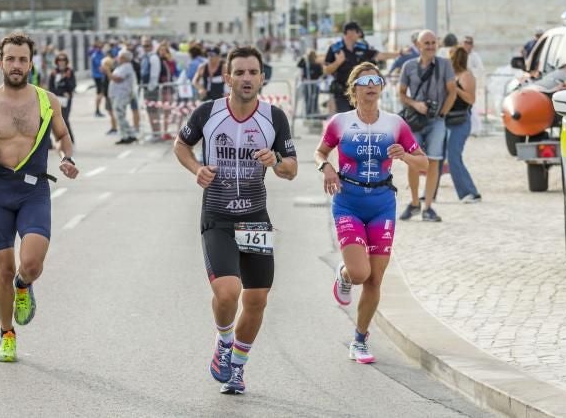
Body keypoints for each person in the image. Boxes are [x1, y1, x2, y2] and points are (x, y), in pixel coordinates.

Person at [174, 46, 298, 395]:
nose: (246, 78)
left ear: (262, 77)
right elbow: (180, 146)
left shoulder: (274, 118)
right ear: (227, 77)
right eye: (239, 72)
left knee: (257, 299)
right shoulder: (207, 113)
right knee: (227, 292)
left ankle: (238, 368)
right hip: (217, 215)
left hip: (255, 218)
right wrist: (197, 168)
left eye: (253, 72)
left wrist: (274, 160)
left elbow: (291, 169)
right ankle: (224, 342)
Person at [0, 32, 79, 363]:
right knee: (3, 270)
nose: (16, 65)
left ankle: (24, 286)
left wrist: (67, 157)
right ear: (0, 62)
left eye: (22, 59)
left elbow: (63, 135)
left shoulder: (47, 100)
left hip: (33, 189)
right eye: (10, 58)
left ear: (30, 63)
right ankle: (7, 334)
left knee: (31, 264)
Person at [315, 62, 427, 363]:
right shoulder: (340, 121)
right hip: (348, 200)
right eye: (364, 80)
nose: (371, 85)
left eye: (376, 79)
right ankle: (345, 274)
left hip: (382, 203)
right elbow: (320, 151)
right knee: (360, 273)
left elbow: (424, 164)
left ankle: (360, 340)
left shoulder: (395, 124)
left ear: (381, 87)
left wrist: (405, 156)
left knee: (375, 279)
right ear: (354, 88)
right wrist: (326, 167)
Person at [398, 30, 457, 222]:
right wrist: (416, 105)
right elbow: (402, 94)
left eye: (433, 42)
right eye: (427, 43)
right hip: (414, 120)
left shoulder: (445, 65)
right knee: (413, 160)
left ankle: (428, 206)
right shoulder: (408, 66)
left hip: (436, 121)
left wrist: (441, 114)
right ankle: (414, 202)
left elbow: (452, 92)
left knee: (434, 161)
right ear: (418, 45)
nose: (431, 46)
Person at [324, 22, 397, 113]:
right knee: (345, 120)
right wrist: (337, 62)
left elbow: (379, 55)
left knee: (361, 119)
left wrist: (399, 53)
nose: (359, 35)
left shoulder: (362, 47)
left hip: (360, 92)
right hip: (342, 93)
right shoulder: (334, 48)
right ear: (349, 32)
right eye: (357, 32)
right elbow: (326, 70)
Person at [445, 47, 481, 202]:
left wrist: (456, 89)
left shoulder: (466, 76)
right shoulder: (449, 75)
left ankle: (470, 192)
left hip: (460, 120)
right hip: (446, 119)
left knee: (453, 156)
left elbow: (471, 99)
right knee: (438, 157)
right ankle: (429, 193)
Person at [108, 49, 138, 144]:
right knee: (119, 115)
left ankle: (129, 134)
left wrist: (107, 71)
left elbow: (118, 79)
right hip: (118, 95)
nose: (118, 58)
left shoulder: (126, 67)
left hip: (122, 95)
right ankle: (125, 135)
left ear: (124, 58)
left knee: (120, 115)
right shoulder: (122, 66)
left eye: (120, 57)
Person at [49, 51, 77, 144]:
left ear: (66, 61)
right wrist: (61, 92)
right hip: (56, 98)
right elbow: (51, 88)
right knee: (54, 120)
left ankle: (70, 139)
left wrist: (66, 77)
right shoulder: (53, 72)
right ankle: (60, 138)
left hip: (66, 100)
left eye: (63, 60)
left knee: (64, 118)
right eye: (59, 60)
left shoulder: (69, 71)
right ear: (57, 61)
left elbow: (72, 86)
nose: (61, 61)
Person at [297, 49, 323, 117]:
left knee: (308, 98)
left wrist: (303, 57)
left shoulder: (307, 64)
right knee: (314, 98)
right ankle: (313, 112)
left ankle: (309, 113)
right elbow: (321, 74)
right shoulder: (311, 64)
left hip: (309, 83)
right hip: (314, 84)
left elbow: (299, 64)